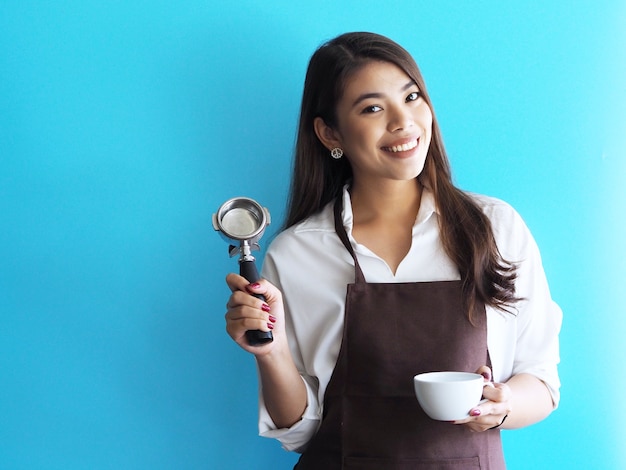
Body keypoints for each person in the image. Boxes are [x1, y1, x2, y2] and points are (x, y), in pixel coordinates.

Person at [224, 32, 561, 469]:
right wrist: (271, 354)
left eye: (413, 96)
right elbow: (301, 430)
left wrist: (503, 405)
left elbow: (542, 381)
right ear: (330, 133)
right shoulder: (295, 254)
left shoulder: (495, 227)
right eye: (372, 108)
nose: (404, 121)